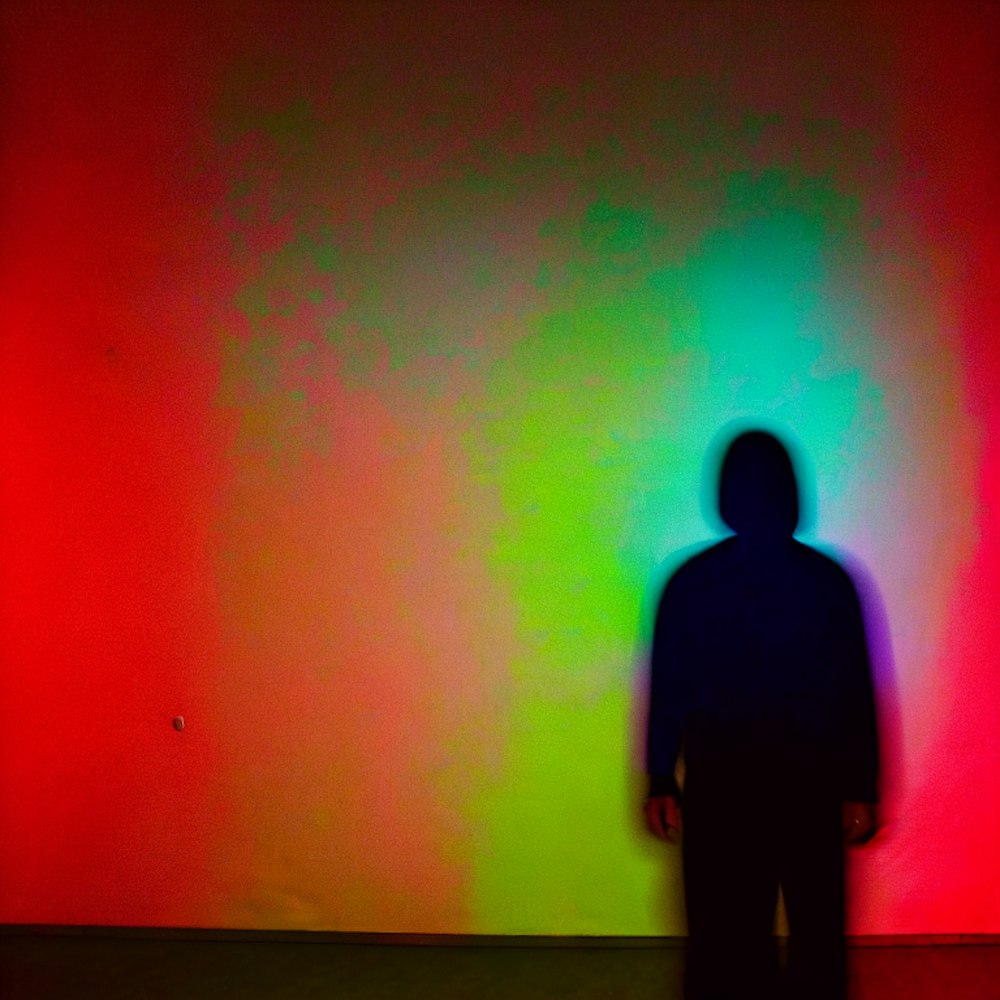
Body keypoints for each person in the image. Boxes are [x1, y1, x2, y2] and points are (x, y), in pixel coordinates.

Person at [644, 429, 880, 1000]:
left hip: (723, 783)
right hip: (808, 782)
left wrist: (660, 779)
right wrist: (860, 787)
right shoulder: (826, 581)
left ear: (724, 493)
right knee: (815, 935)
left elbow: (669, 688)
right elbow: (854, 691)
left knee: (723, 938)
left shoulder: (692, 581)